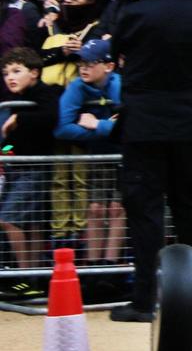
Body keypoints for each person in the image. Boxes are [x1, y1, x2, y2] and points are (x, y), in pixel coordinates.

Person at [109, 0, 192, 321]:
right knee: (190, 208)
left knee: (146, 213)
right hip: (188, 123)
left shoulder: (135, 13)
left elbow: (117, 50)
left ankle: (144, 299)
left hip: (144, 124)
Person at [53, 38, 126, 265]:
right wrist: (109, 129)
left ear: (109, 66)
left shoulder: (122, 85)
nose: (83, 67)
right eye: (80, 62)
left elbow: (133, 126)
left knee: (116, 208)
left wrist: (98, 125)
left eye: (91, 62)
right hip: (98, 154)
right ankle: (94, 267)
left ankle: (111, 266)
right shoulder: (77, 86)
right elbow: (62, 128)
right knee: (95, 208)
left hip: (126, 156)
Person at [0, 47, 61, 287]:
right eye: (6, 73)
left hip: (35, 168)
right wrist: (4, 153)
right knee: (33, 223)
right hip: (17, 168)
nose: (10, 77)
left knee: (8, 219)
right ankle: (34, 278)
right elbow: (10, 142)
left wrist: (20, 118)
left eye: (16, 71)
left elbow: (50, 118)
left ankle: (23, 276)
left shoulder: (44, 94)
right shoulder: (16, 100)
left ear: (34, 72)